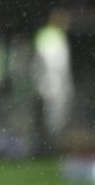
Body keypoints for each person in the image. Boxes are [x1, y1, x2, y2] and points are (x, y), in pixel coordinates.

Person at [32, 8, 74, 148]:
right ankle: (46, 145)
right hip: (50, 82)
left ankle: (50, 143)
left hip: (56, 82)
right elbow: (46, 62)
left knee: (55, 115)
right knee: (49, 116)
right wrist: (45, 81)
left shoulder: (58, 35)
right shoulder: (49, 35)